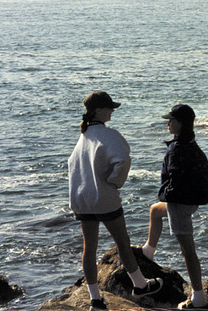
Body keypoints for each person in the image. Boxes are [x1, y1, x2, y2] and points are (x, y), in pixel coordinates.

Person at [69, 91, 163, 311]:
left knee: (88, 248)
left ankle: (95, 300)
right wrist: (114, 182)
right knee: (122, 243)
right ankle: (140, 285)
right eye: (109, 107)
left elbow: (73, 167)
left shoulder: (83, 137)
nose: (112, 111)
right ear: (98, 110)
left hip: (82, 200)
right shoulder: (109, 135)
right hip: (104, 198)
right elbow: (123, 159)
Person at [142, 104, 208, 310]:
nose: (167, 124)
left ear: (180, 123)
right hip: (191, 201)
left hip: (179, 203)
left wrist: (167, 195)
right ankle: (148, 251)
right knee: (155, 210)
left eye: (171, 120)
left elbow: (175, 180)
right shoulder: (191, 144)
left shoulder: (177, 149)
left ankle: (198, 299)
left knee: (188, 251)